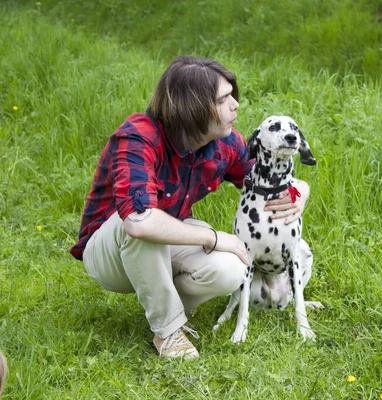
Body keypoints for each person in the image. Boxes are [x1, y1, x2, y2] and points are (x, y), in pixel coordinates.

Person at [69, 56, 310, 359]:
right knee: (141, 219)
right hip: (110, 252)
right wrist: (213, 237)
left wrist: (300, 188)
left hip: (162, 240)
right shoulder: (139, 136)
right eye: (224, 99)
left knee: (233, 267)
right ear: (193, 106)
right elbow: (137, 222)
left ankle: (169, 306)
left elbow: (261, 179)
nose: (236, 104)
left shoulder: (226, 144)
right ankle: (167, 330)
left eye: (232, 95)